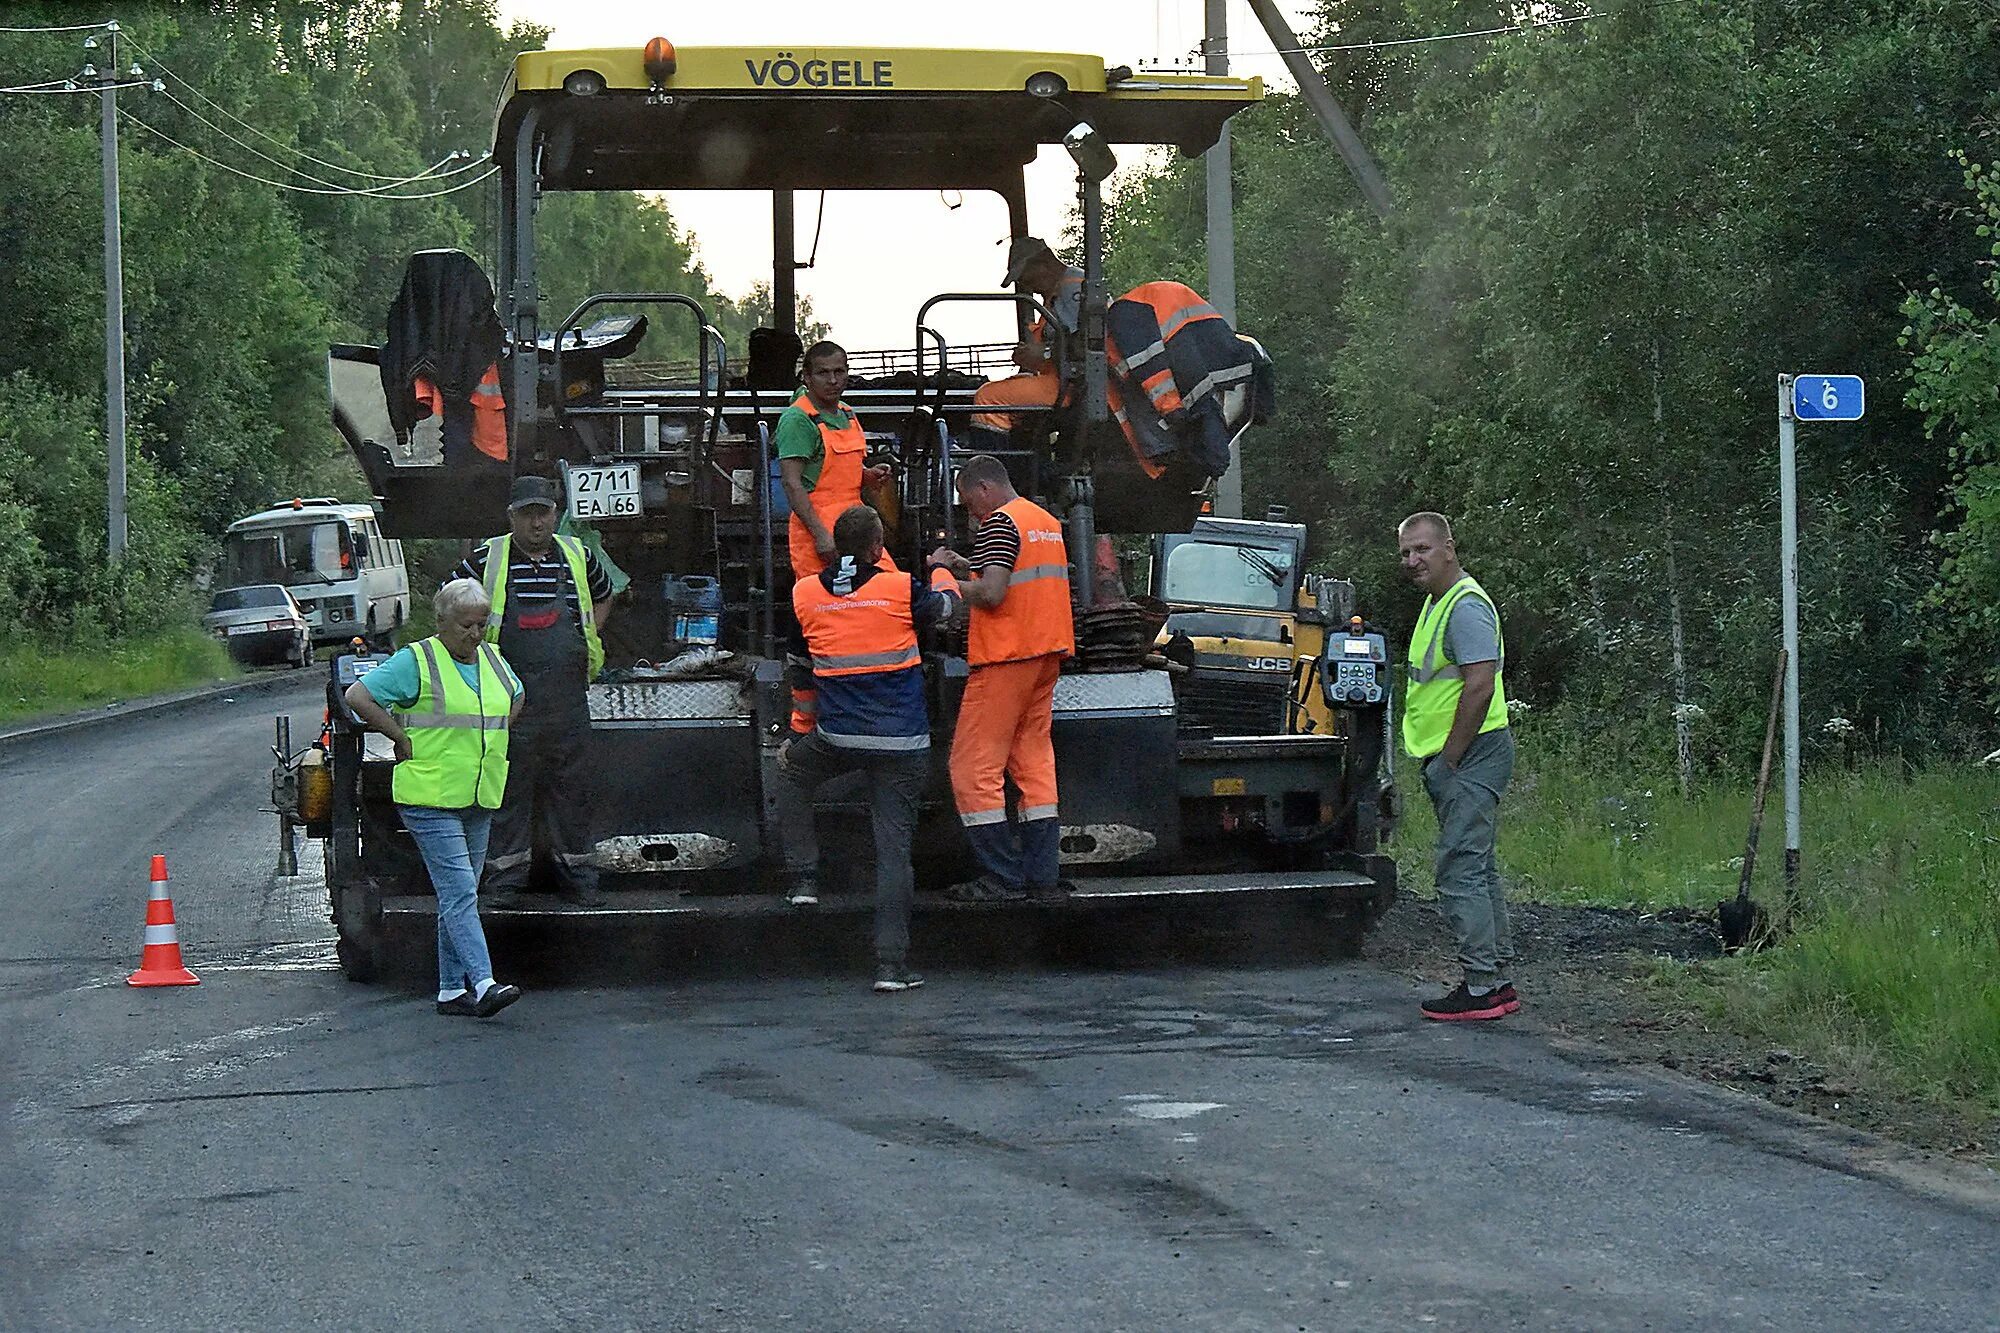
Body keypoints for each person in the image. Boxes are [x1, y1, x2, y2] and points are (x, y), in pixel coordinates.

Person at [779, 505, 962, 992]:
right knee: (893, 853)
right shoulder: (899, 586)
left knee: (792, 774)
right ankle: (891, 967)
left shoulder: (805, 595)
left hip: (838, 739)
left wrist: (800, 733)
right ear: (878, 547)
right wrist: (939, 566)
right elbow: (948, 609)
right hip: (903, 744)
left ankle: (802, 880)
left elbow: (801, 672)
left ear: (837, 545)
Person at [343, 579, 525, 1018]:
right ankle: (482, 982)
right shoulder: (418, 660)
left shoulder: (493, 660)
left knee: (458, 894)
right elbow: (357, 695)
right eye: (466, 625)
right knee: (461, 891)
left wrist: (491, 741)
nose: (476, 634)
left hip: (479, 794)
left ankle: (449, 990)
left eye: (482, 625)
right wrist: (397, 736)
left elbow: (516, 697)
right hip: (429, 797)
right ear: (442, 622)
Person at [451, 474, 614, 905]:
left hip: (567, 699)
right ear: (511, 517)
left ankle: (578, 878)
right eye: (527, 515)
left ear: (556, 514)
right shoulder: (488, 558)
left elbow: (604, 594)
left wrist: (586, 636)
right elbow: (449, 605)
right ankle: (506, 881)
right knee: (507, 788)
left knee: (573, 791)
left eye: (543, 513)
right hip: (509, 701)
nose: (536, 523)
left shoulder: (579, 555)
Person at [927, 454, 1075, 902]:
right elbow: (1014, 579)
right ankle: (1041, 877)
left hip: (1006, 657)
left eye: (968, 499)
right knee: (1033, 763)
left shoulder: (998, 523)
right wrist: (965, 566)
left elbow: (992, 594)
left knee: (973, 768)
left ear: (985, 489)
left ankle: (1000, 877)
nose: (968, 510)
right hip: (1046, 652)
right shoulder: (1043, 520)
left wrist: (941, 578)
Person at [1397, 511, 1518, 1021]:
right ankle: (1498, 978)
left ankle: (1482, 985)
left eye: (1422, 549)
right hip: (1460, 756)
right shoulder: (1438, 604)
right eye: (1405, 553)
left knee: (1460, 867)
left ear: (1449, 548)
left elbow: (1480, 685)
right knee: (1478, 866)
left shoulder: (1465, 608)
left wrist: (1449, 759)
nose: (1413, 560)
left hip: (1470, 755)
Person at [775, 340, 895, 736]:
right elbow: (794, 486)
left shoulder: (846, 415)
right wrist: (822, 536)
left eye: (839, 372)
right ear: (806, 377)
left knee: (880, 601)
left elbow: (842, 471)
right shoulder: (797, 420)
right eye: (824, 373)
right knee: (825, 621)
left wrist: (867, 476)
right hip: (818, 532)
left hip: (857, 524)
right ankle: (811, 723)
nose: (833, 379)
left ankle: (872, 702)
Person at [969, 236, 1083, 445]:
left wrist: (1044, 353)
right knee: (1007, 388)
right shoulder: (1058, 292)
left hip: (1074, 386)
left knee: (988, 399)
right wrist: (1033, 356)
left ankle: (994, 472)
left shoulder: (1075, 289)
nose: (1025, 283)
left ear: (1045, 260)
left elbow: (1087, 345)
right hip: (1061, 380)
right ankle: (1025, 469)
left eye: (1025, 275)